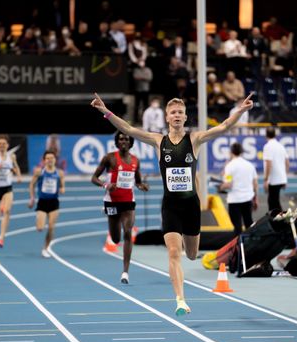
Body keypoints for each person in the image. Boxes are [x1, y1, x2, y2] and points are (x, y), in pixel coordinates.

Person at [91, 92, 254, 316]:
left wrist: (241, 110)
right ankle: (180, 299)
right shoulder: (159, 141)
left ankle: (185, 274)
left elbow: (224, 127)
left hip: (191, 207)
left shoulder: (194, 139)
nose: (177, 115)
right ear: (167, 117)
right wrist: (105, 110)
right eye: (173, 112)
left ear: (185, 117)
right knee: (173, 253)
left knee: (190, 253)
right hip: (171, 206)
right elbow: (129, 129)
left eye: (180, 112)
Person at [91, 131, 149, 284]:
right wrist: (106, 184)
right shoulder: (109, 158)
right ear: (117, 142)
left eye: (127, 139)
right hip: (111, 201)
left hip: (128, 202)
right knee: (116, 238)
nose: (124, 141)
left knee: (128, 232)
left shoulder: (136, 160)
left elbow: (137, 181)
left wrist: (141, 185)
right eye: (121, 139)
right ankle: (111, 218)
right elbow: (94, 178)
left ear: (131, 143)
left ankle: (125, 272)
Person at [28, 151, 65, 257]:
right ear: (44, 160)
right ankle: (39, 219)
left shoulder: (60, 173)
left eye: (52, 158)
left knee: (51, 228)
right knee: (40, 228)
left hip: (54, 203)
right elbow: (31, 185)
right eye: (48, 158)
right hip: (42, 202)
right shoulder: (39, 172)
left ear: (55, 160)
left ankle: (45, 248)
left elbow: (62, 185)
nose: (50, 160)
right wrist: (32, 198)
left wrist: (62, 189)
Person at [220, 142, 258, 235]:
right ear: (241, 152)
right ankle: (251, 247)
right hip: (247, 199)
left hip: (234, 201)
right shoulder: (250, 165)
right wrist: (255, 198)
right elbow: (255, 184)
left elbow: (228, 184)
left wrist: (220, 187)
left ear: (231, 152)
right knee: (249, 224)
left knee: (237, 228)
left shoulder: (230, 166)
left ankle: (239, 248)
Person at [262, 127, 289, 215]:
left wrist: (266, 179)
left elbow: (268, 164)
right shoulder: (280, 146)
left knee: (273, 203)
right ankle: (279, 220)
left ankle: (281, 221)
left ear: (266, 135)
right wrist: (285, 178)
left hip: (273, 179)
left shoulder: (268, 146)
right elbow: (287, 162)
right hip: (280, 178)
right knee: (274, 201)